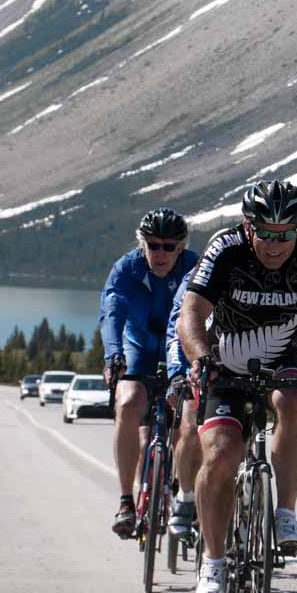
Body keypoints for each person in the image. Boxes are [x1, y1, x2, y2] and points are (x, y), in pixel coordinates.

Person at [178, 179, 297, 593]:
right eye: (265, 233)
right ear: (247, 227)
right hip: (225, 357)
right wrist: (199, 357)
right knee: (220, 453)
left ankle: (285, 511)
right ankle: (213, 562)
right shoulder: (225, 248)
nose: (275, 243)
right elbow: (193, 311)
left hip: (284, 353)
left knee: (295, 400)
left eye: (286, 233)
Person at [100, 208, 199, 538]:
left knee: (187, 414)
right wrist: (113, 355)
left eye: (169, 247)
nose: (161, 253)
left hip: (180, 347)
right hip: (138, 346)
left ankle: (179, 485)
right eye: (153, 245)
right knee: (128, 404)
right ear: (142, 245)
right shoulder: (128, 268)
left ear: (181, 248)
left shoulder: (195, 267)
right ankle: (127, 501)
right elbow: (112, 312)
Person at [164, 276, 201, 538]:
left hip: (238, 362)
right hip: (196, 363)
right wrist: (177, 374)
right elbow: (177, 331)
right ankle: (186, 496)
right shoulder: (199, 275)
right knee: (189, 420)